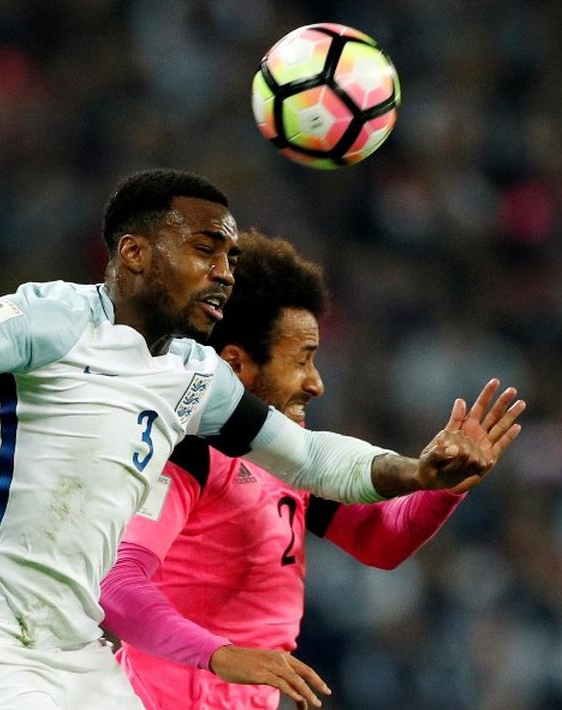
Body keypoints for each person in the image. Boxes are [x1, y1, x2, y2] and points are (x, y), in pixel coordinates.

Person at [0, 169, 514, 710]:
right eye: (205, 250)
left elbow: (309, 459)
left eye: (229, 258)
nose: (223, 275)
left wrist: (417, 472)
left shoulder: (194, 376)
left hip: (73, 655)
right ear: (134, 253)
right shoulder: (57, 321)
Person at [100, 230, 524, 709]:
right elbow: (118, 585)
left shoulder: (286, 458)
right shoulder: (187, 452)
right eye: (301, 361)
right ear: (237, 365)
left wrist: (446, 486)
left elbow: (379, 540)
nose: (316, 383)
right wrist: (219, 654)